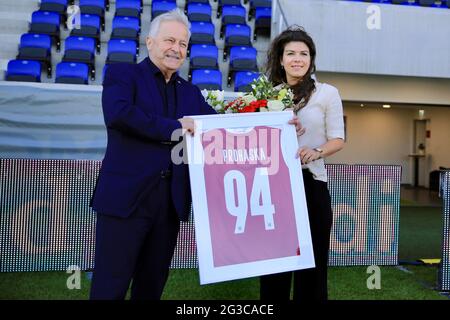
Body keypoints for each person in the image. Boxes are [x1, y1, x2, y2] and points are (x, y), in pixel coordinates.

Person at [89, 9, 216, 300]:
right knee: (110, 287)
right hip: (126, 200)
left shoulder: (191, 93)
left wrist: (269, 120)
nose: (176, 48)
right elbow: (120, 115)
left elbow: (217, 126)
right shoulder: (123, 75)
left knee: (151, 287)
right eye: (169, 40)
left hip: (169, 205)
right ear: (150, 42)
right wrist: (175, 127)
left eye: (183, 44)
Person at [260, 26, 345, 301]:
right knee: (275, 264)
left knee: (312, 263)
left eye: (304, 53)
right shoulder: (267, 95)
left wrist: (316, 151)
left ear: (311, 59)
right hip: (274, 186)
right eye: (291, 53)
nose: (298, 58)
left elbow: (338, 139)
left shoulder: (327, 93)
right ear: (281, 59)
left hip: (312, 184)